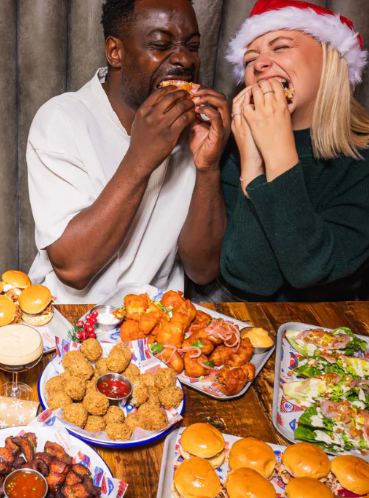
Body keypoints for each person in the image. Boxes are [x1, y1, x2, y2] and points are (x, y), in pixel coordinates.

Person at [25, 0, 230, 304]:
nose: (186, 60)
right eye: (161, 44)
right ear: (115, 52)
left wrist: (207, 168)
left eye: (193, 46)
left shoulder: (197, 130)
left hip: (157, 325)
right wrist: (141, 157)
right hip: (67, 317)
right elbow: (73, 269)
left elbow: (202, 270)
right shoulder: (61, 119)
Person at [199, 0, 369, 302]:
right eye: (250, 59)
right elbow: (253, 280)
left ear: (331, 59)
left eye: (280, 47)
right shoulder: (236, 146)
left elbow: (314, 271)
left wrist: (277, 152)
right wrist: (252, 163)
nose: (259, 64)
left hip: (329, 334)